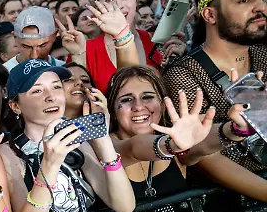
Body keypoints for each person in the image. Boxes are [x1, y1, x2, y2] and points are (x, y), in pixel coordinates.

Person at [0, 59, 135, 212]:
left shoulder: (78, 140)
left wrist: (103, 140)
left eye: (56, 87)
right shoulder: (9, 152)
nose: (51, 97)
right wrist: (49, 164)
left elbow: (125, 206)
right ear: (15, 106)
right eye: (37, 91)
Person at [106, 65, 267, 201]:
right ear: (112, 110)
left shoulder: (179, 141)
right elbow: (134, 149)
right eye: (126, 100)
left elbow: (202, 143)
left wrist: (237, 128)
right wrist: (171, 145)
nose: (138, 106)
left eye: (148, 97)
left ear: (162, 106)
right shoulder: (107, 146)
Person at [163, 0, 267, 172]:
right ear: (210, 15)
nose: (261, 7)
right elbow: (202, 157)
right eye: (245, 0)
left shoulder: (262, 54)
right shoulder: (184, 75)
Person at [81, 0, 177, 91]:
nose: (119, 5)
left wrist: (177, 62)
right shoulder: (85, 51)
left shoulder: (157, 41)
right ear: (98, 7)